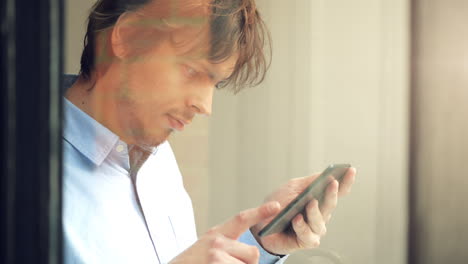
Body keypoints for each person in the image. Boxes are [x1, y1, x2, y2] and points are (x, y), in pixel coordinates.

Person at [62, 0, 356, 263]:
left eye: (214, 83)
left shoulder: (155, 153)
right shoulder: (25, 182)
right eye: (191, 71)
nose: (205, 106)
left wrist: (261, 244)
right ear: (127, 37)